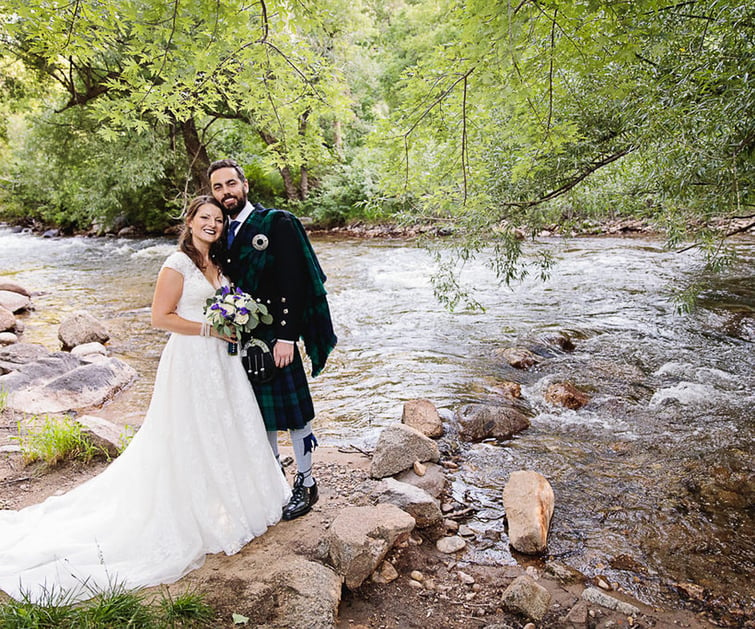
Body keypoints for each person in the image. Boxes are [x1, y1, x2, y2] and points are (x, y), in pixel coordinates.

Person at [0, 196, 291, 603]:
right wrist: (210, 331)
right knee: (189, 433)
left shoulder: (219, 264)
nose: (212, 224)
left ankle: (232, 500)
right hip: (191, 360)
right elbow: (160, 317)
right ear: (189, 221)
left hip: (223, 364)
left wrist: (237, 318)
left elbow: (225, 306)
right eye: (204, 217)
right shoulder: (176, 265)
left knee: (227, 426)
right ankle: (193, 512)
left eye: (219, 220)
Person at [208, 159, 337, 521]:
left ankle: (307, 483)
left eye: (231, 184)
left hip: (276, 334)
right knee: (259, 416)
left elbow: (295, 282)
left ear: (245, 185)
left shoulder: (276, 223)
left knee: (295, 416)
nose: (225, 193)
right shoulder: (218, 232)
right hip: (240, 338)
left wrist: (285, 336)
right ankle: (272, 482)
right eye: (218, 187)